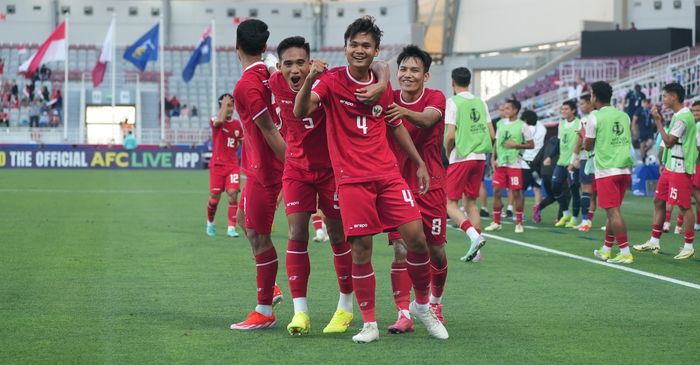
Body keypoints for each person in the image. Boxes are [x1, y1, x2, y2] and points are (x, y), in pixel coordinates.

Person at [294, 16, 448, 343]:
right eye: (354, 45)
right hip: (351, 181)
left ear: (375, 50)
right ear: (345, 48)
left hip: (388, 176)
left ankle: (422, 306)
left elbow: (394, 124)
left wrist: (419, 162)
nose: (359, 50)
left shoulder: (383, 86)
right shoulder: (332, 81)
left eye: (366, 45)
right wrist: (308, 79)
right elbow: (301, 111)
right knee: (361, 249)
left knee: (417, 238)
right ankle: (369, 324)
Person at [269, 36, 377, 335]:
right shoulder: (273, 82)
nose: (295, 69)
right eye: (288, 64)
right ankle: (300, 312)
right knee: (296, 232)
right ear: (279, 66)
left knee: (339, 235)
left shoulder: (327, 80)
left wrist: (382, 84)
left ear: (310, 62)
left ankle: (345, 307)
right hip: (296, 170)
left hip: (332, 169)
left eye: (301, 63)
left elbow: (377, 66)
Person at [384, 45, 450, 333]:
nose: (407, 75)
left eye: (414, 70)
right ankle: (404, 313)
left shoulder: (435, 97)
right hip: (397, 185)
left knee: (435, 251)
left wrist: (401, 111)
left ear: (426, 75)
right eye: (403, 69)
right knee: (400, 249)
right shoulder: (388, 96)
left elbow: (427, 119)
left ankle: (435, 302)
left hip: (430, 185)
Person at [229, 19, 287, 331]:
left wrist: (293, 169)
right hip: (260, 167)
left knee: (260, 236)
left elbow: (269, 131)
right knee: (244, 221)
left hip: (267, 169)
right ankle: (271, 288)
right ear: (264, 47)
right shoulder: (269, 72)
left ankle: (265, 308)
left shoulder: (246, 86)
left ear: (236, 46)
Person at [633, 83, 696, 260]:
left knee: (684, 206)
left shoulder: (684, 117)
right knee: (658, 201)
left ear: (674, 96)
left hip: (680, 167)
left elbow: (668, 141)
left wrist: (658, 121)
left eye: (665, 96)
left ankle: (689, 246)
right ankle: (654, 241)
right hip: (671, 166)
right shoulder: (678, 115)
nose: (663, 99)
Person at [443, 67, 492, 262]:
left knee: (449, 204)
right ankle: (477, 252)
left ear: (452, 83)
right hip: (480, 157)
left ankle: (474, 236)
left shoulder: (453, 102)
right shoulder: (481, 102)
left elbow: (451, 135)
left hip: (461, 156)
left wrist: (448, 153)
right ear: (469, 82)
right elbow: (492, 133)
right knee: (471, 203)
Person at [585, 81, 635, 264]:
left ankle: (625, 252)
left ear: (595, 97)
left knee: (613, 212)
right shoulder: (624, 116)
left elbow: (588, 145)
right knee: (613, 212)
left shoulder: (594, 116)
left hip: (607, 169)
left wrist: (583, 137)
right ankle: (606, 249)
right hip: (624, 169)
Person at [484, 99, 534, 233]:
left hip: (514, 164)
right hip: (501, 164)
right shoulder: (500, 124)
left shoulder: (523, 125)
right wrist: (493, 158)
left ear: (515, 110)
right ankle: (496, 222)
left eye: (507, 108)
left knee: (517, 192)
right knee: (496, 192)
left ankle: (518, 222)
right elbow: (497, 142)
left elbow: (531, 144)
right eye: (504, 108)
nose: (504, 110)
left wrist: (516, 145)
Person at [205, 93, 243, 238]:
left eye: (231, 105)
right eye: (227, 105)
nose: (230, 109)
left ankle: (231, 228)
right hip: (217, 165)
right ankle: (210, 222)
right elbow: (219, 122)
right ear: (221, 106)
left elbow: (242, 141)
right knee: (214, 198)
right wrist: (224, 105)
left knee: (233, 194)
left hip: (232, 165)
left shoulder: (237, 124)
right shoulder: (215, 119)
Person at [550, 100, 582, 228]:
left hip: (573, 162)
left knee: (574, 190)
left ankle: (574, 218)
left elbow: (582, 141)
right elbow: (559, 142)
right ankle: (565, 213)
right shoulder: (561, 124)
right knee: (555, 186)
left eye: (566, 109)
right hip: (561, 161)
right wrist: (550, 157)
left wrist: (577, 159)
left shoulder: (579, 123)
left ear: (573, 110)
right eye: (562, 109)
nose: (563, 111)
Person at [572, 94, 597, 231]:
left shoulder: (585, 120)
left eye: (582, 104)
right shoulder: (600, 117)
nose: (581, 107)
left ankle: (585, 221)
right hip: (600, 158)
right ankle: (588, 221)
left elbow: (580, 142)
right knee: (593, 192)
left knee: (586, 190)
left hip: (587, 158)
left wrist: (573, 160)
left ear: (590, 103)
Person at [521, 109, 546, 207]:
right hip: (537, 163)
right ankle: (537, 212)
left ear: (526, 120)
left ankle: (520, 213)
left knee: (521, 190)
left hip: (525, 162)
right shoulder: (543, 128)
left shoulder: (525, 129)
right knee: (537, 188)